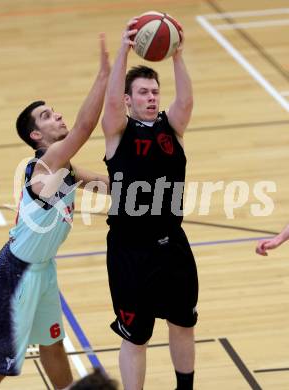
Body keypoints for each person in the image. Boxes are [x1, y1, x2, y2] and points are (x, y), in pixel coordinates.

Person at [0, 33, 110, 390]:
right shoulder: (45, 167)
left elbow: (110, 185)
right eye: (47, 116)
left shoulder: (66, 170)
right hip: (15, 275)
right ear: (36, 135)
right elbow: (83, 127)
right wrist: (104, 77)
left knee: (52, 342)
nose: (57, 115)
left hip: (42, 271)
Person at [101, 18, 197, 390]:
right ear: (128, 99)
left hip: (172, 244)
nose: (152, 97)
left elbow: (185, 100)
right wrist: (124, 49)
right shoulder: (117, 132)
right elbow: (109, 100)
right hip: (130, 251)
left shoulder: (171, 128)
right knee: (136, 335)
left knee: (183, 323)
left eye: (154, 91)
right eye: (143, 92)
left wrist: (177, 55)